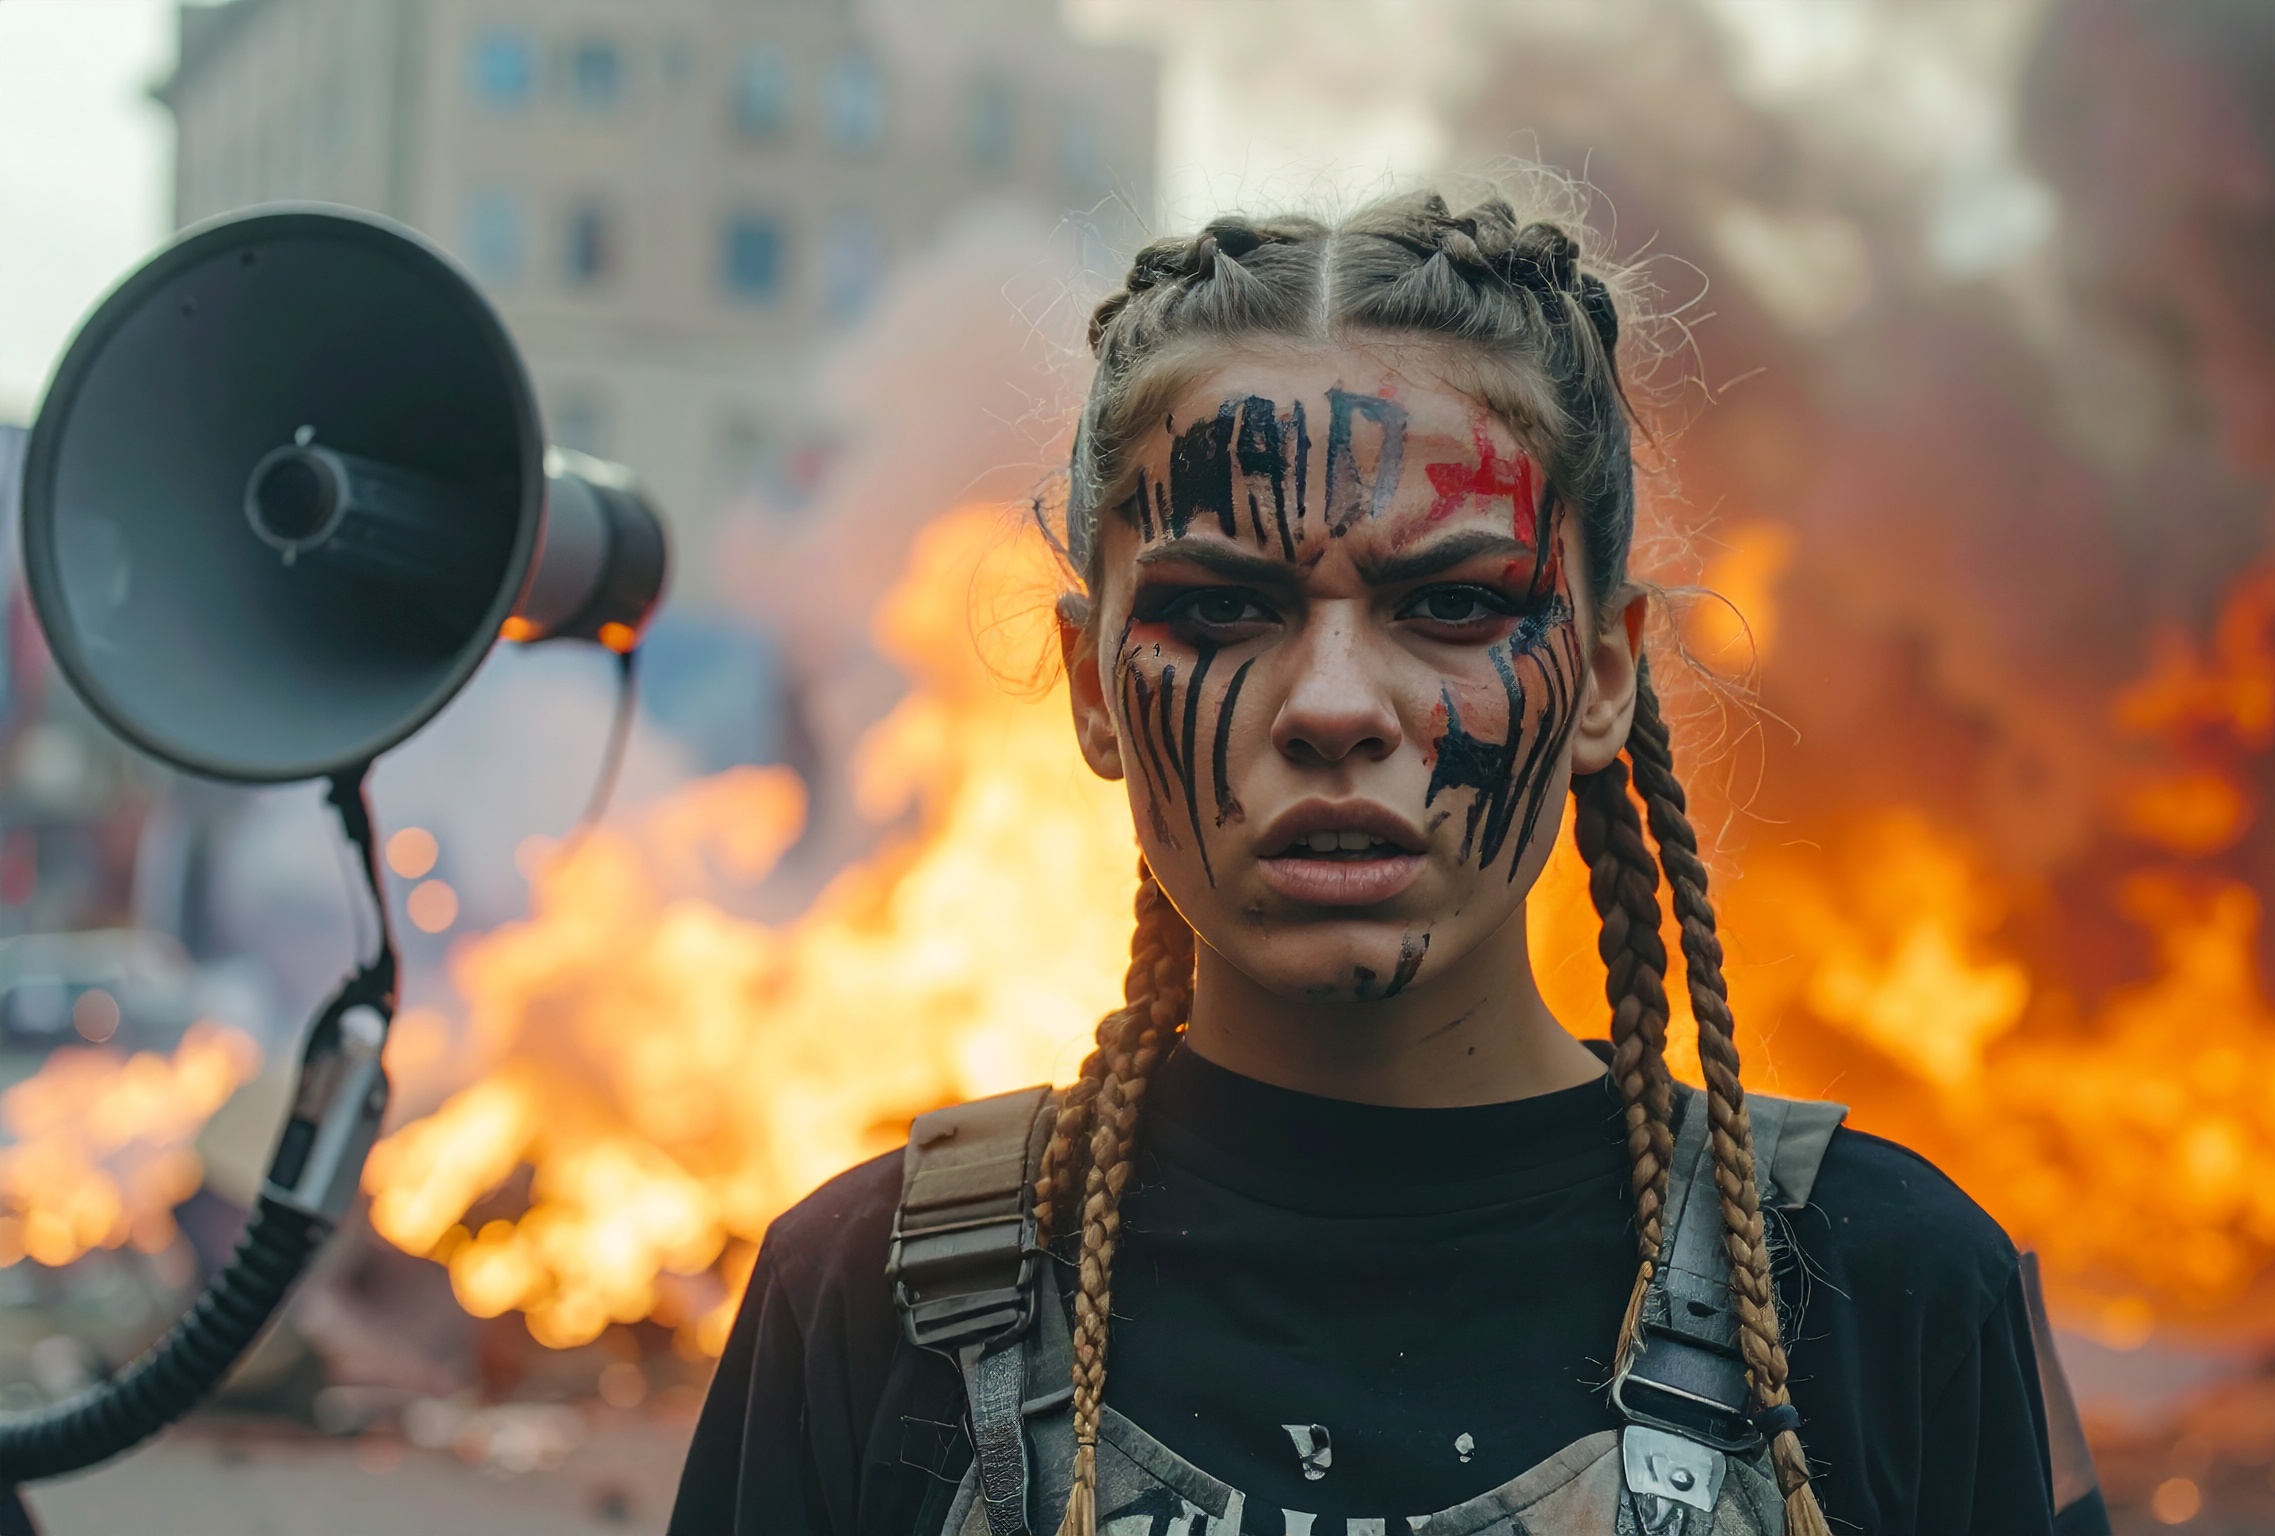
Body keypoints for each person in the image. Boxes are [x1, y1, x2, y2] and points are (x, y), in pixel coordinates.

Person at [670, 190, 2103, 1536]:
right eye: (1222, 608)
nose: (1335, 706)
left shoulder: (1883, 1288)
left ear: (1605, 676)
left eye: (1455, 602)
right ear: (1094, 687)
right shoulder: (871, 1304)